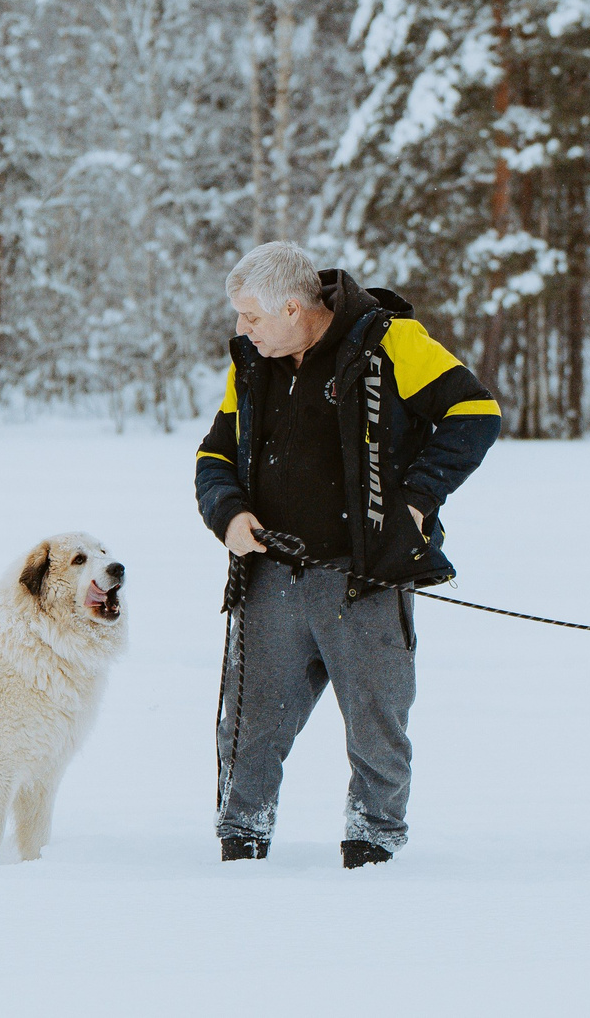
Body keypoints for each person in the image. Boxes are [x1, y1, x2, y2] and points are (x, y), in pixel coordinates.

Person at [194, 240, 500, 867]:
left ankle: (373, 850)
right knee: (248, 727)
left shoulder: (390, 341)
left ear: (291, 307)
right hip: (270, 577)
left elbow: (475, 413)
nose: (242, 329)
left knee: (375, 729)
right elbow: (215, 454)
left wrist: (416, 501)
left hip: (364, 579)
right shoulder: (252, 362)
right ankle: (240, 845)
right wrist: (228, 514)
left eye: (250, 315)